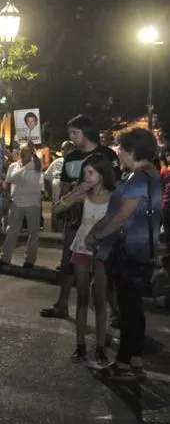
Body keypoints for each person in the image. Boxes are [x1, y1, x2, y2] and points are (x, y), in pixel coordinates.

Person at [85, 128, 162, 381]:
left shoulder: (139, 178)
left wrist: (96, 235)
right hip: (143, 250)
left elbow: (122, 215)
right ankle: (135, 361)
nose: (117, 151)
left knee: (128, 310)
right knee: (133, 309)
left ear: (132, 151)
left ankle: (123, 364)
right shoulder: (150, 174)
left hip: (131, 250)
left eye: (120, 147)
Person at [41, 115, 121, 321]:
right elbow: (66, 188)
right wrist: (61, 210)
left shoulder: (107, 154)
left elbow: (116, 187)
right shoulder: (70, 157)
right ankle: (62, 304)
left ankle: (115, 312)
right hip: (75, 220)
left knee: (105, 266)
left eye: (75, 133)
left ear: (87, 132)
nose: (72, 137)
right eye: (70, 133)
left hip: (102, 221)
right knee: (69, 263)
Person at [53, 153, 116, 364]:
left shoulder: (114, 196)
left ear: (102, 173)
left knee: (100, 301)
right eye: (85, 173)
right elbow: (57, 210)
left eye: (91, 172)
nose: (87, 177)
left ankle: (100, 348)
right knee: (81, 298)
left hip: (103, 251)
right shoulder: (83, 194)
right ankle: (80, 346)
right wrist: (74, 193)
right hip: (81, 248)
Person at [0, 143, 43, 268]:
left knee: (33, 233)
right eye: (22, 151)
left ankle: (30, 260)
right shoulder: (13, 166)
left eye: (27, 151)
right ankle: (5, 258)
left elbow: (39, 167)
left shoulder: (36, 164)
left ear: (31, 152)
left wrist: (34, 153)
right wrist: (1, 186)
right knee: (12, 231)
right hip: (16, 202)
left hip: (32, 203)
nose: (23, 153)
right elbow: (8, 184)